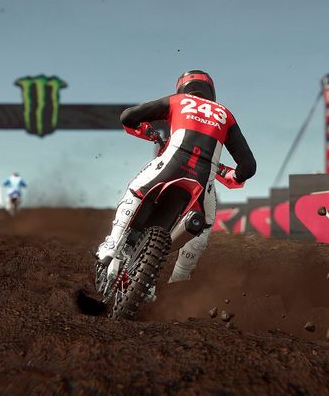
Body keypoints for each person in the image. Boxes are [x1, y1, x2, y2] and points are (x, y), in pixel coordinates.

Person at [95, 70, 256, 284]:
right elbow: (249, 166)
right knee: (205, 224)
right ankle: (180, 278)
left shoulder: (178, 101)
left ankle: (112, 244)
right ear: (211, 90)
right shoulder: (225, 114)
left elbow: (128, 116)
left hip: (168, 166)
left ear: (182, 87)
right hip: (202, 180)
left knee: (136, 190)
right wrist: (229, 173)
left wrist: (146, 131)